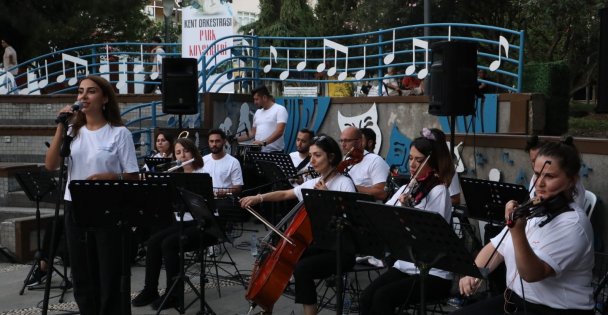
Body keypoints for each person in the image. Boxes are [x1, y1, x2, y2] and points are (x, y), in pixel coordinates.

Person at [454, 140, 594, 315]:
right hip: (515, 301)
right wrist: (474, 272)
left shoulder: (574, 224)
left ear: (571, 180)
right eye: (537, 174)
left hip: (554, 309)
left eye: (549, 176)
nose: (540, 183)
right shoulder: (534, 209)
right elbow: (497, 248)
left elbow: (532, 274)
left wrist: (517, 231)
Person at [44, 75, 140, 315]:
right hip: (75, 206)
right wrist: (61, 125)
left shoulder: (119, 133)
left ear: (105, 98)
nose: (83, 96)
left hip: (108, 208)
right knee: (82, 272)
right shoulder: (72, 132)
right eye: (80, 91)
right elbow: (51, 164)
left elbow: (133, 176)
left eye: (91, 91)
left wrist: (111, 177)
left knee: (109, 272)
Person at [240, 135, 356, 315]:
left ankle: (309, 312)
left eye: (317, 155)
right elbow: (286, 194)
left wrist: (326, 199)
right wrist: (259, 197)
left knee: (302, 268)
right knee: (283, 257)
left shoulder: (344, 183)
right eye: (311, 156)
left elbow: (350, 221)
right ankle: (267, 306)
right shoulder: (313, 183)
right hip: (320, 245)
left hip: (340, 249)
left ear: (331, 157)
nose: (312, 160)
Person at [360, 130, 455, 315]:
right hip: (405, 264)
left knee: (383, 297)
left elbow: (430, 236)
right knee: (366, 297)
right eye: (410, 158)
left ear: (431, 161)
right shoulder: (407, 187)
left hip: (432, 271)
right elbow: (382, 214)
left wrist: (406, 213)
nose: (412, 164)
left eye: (419, 160)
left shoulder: (438, 190)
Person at [132, 137, 217, 310]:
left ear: (193, 152)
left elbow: (210, 207)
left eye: (186, 151)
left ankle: (175, 294)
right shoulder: (175, 176)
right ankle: (150, 290)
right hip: (182, 223)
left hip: (205, 224)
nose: (183, 156)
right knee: (154, 242)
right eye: (178, 152)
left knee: (169, 244)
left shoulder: (205, 172)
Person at [526, 135, 586, 211]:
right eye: (533, 161)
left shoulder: (572, 219)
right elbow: (537, 200)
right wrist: (522, 208)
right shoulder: (536, 178)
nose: (539, 183)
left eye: (549, 176)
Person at [340, 126, 390, 201]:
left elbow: (382, 193)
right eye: (341, 141)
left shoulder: (375, 160)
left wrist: (349, 186)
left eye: (347, 141)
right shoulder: (346, 161)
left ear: (359, 142)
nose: (343, 145)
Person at [237, 85, 288, 153]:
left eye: (257, 99)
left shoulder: (280, 109)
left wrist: (264, 143)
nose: (255, 102)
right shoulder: (258, 112)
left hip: (274, 152)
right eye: (254, 99)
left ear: (264, 97)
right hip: (258, 151)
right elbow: (252, 133)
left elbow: (280, 131)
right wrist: (237, 139)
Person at [202, 128, 244, 195]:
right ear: (208, 142)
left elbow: (238, 187)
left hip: (224, 200)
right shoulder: (203, 160)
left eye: (217, 141)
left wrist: (225, 192)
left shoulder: (233, 162)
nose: (214, 144)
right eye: (211, 141)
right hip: (205, 198)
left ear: (224, 142)